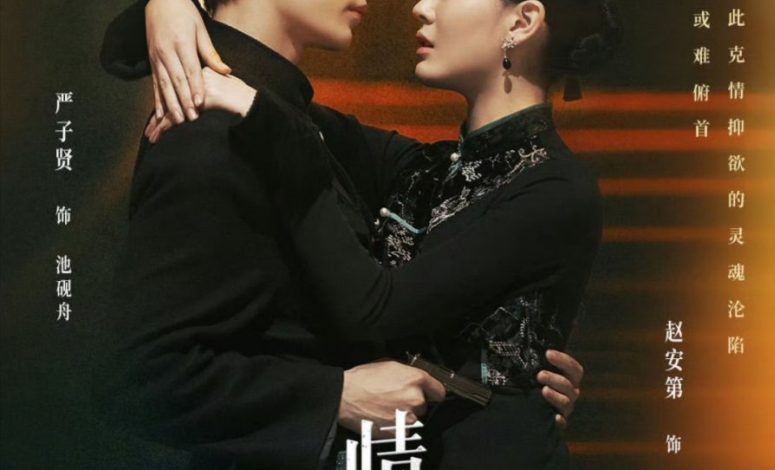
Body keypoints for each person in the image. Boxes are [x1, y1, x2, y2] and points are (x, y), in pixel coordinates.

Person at [95, 0, 587, 469]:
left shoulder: (285, 125)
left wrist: (512, 377)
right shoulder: (218, 131)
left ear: (523, 22)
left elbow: (379, 307)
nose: (415, 7)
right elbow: (140, 374)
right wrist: (335, 396)